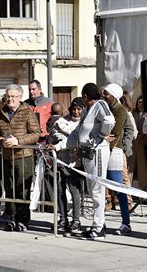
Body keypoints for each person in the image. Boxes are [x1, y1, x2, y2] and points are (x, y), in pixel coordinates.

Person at [57, 83, 115, 240]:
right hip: (88, 153)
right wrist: (57, 146)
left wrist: (101, 134)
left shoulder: (100, 104)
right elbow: (76, 135)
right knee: (92, 189)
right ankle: (98, 224)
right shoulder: (87, 111)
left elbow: (109, 120)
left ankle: (98, 228)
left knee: (97, 190)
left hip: (97, 152)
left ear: (86, 96)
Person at [0, 84, 41, 232]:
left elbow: (36, 133)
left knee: (22, 190)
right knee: (9, 189)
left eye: (13, 96)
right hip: (6, 157)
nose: (10, 99)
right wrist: (2, 141)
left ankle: (23, 220)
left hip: (24, 156)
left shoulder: (27, 112)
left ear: (19, 97)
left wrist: (18, 141)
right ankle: (10, 219)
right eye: (8, 96)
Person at [47, 97, 84, 233]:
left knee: (75, 190)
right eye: (73, 109)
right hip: (61, 160)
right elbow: (55, 133)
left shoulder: (84, 122)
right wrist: (64, 137)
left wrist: (66, 137)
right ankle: (63, 219)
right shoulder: (62, 120)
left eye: (79, 109)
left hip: (75, 162)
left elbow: (77, 137)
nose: (76, 112)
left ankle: (76, 220)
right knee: (60, 189)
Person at [102, 83, 131, 235]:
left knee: (118, 187)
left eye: (106, 94)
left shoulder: (120, 111)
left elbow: (114, 132)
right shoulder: (105, 108)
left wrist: (101, 138)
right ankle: (100, 222)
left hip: (114, 152)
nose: (104, 96)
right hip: (102, 150)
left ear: (113, 96)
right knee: (101, 187)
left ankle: (126, 222)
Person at [130, 96, 147, 189]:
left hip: (143, 142)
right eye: (139, 102)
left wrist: (144, 134)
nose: (140, 104)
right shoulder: (133, 113)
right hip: (133, 142)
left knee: (142, 167)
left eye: (142, 102)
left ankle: (143, 188)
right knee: (131, 166)